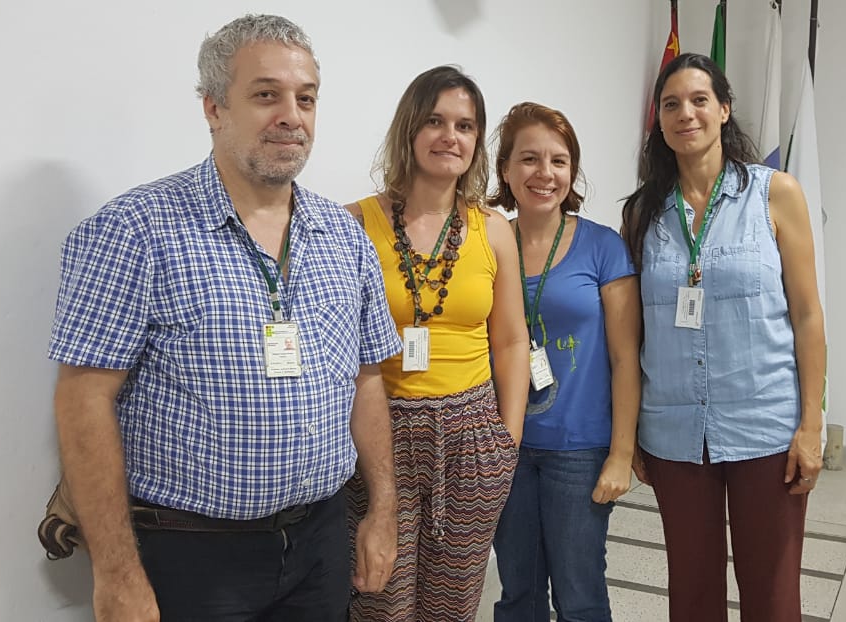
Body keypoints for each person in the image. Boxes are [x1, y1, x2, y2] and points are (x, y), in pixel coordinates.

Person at [47, 15, 400, 621]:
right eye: (266, 94)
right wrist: (116, 572)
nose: (292, 114)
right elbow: (83, 400)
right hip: (191, 556)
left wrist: (382, 510)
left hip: (319, 544)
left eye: (306, 98)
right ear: (213, 107)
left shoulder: (345, 235)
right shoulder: (135, 230)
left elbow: (367, 378)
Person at [620, 53, 827, 622]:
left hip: (765, 426)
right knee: (690, 593)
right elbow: (634, 335)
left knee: (773, 593)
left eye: (699, 100)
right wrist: (631, 430)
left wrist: (811, 425)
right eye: (670, 104)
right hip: (674, 430)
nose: (685, 113)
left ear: (724, 109)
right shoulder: (643, 214)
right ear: (659, 121)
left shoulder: (775, 193)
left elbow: (808, 315)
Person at [344, 66, 529, 622]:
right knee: (380, 602)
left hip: (472, 438)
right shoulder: (354, 224)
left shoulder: (492, 228)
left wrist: (507, 440)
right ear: (410, 129)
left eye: (466, 126)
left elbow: (513, 340)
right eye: (435, 121)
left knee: (452, 606)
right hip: (382, 435)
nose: (451, 136)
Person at [487, 102, 640, 622]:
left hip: (580, 450)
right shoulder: (487, 241)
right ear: (506, 168)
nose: (544, 174)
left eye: (558, 160)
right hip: (506, 445)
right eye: (529, 159)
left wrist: (621, 454)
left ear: (572, 171)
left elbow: (625, 359)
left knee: (580, 596)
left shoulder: (603, 248)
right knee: (517, 595)